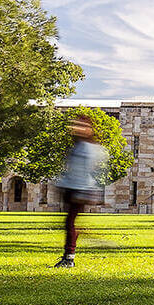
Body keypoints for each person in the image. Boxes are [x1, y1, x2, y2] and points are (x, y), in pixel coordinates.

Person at [53, 115, 105, 268]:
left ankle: (69, 258)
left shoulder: (89, 148)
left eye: (81, 126)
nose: (76, 128)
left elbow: (89, 170)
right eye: (75, 125)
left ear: (89, 129)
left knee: (70, 222)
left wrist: (86, 191)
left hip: (80, 189)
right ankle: (70, 253)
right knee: (70, 223)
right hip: (71, 187)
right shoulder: (77, 145)